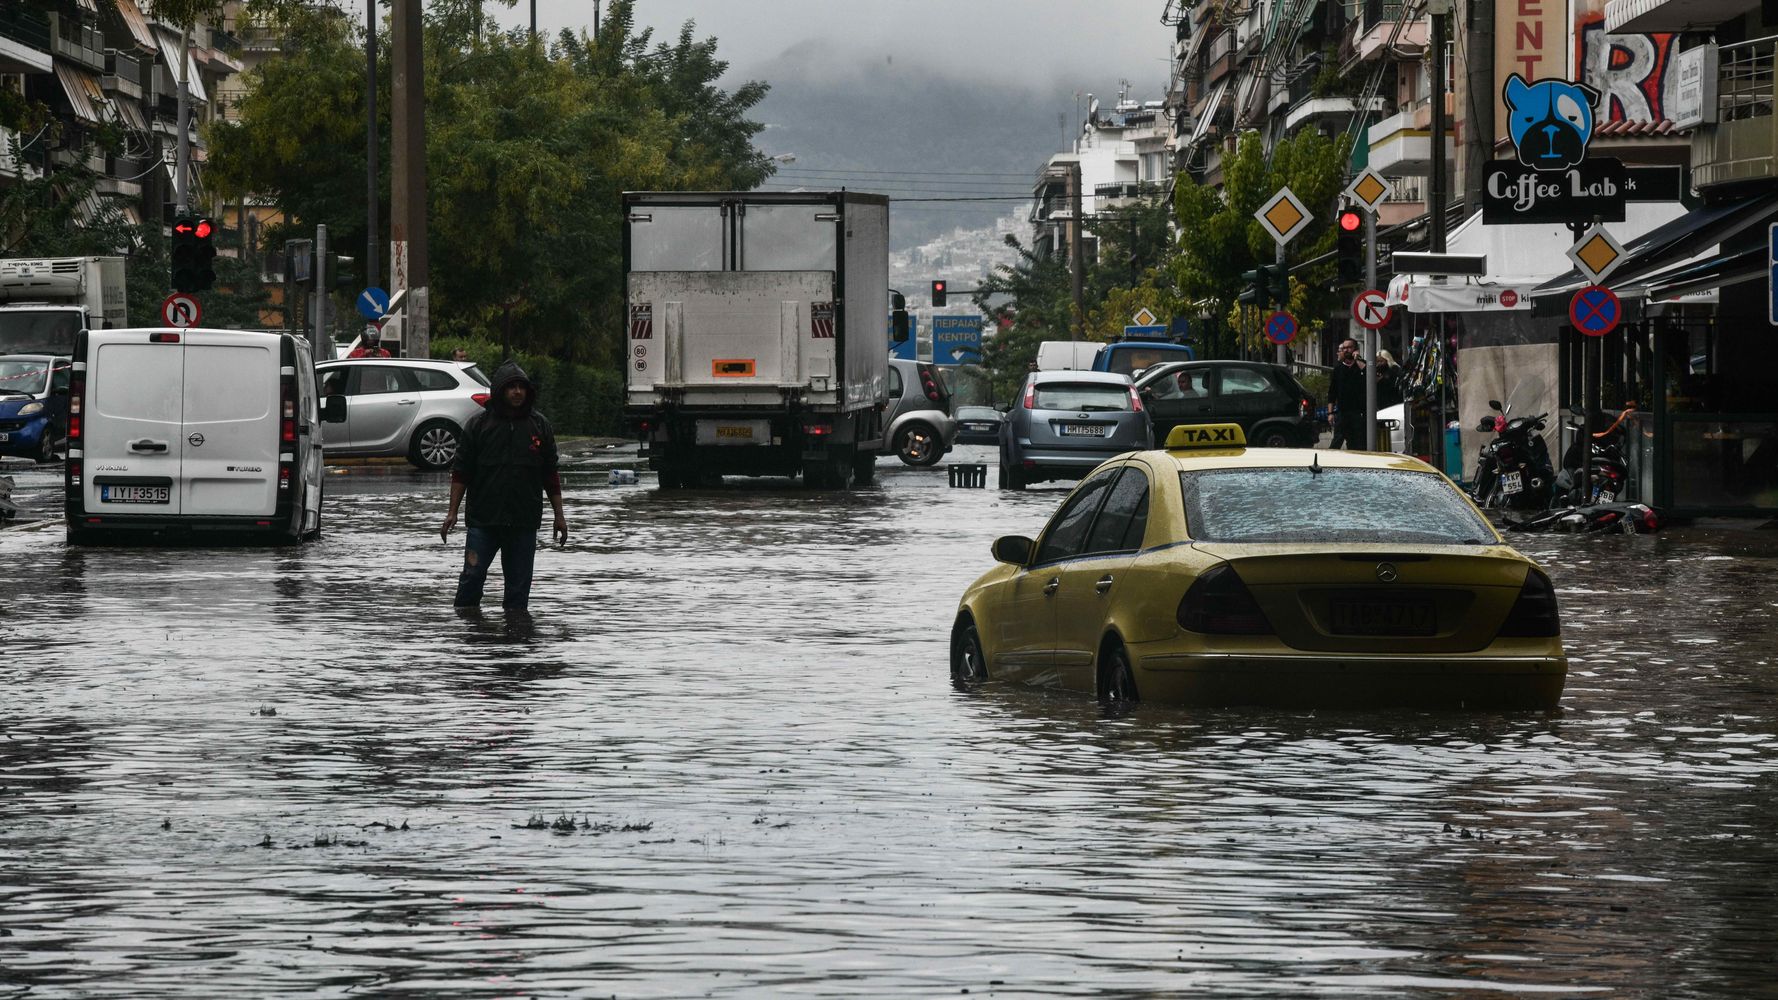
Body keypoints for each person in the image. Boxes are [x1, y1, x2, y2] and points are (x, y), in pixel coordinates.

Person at [441, 361, 568, 611]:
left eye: (522, 387)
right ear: (500, 391)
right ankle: (469, 636)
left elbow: (550, 474)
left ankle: (517, 640)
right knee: (471, 579)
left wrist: (560, 516)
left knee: (518, 593)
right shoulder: (478, 426)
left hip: (524, 521)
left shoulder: (539, 426)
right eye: (511, 387)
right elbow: (461, 472)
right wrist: (452, 512)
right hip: (483, 521)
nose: (517, 392)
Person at [1327, 339, 1368, 450]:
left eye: (1349, 347)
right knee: (1337, 441)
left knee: (1357, 443)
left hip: (1359, 413)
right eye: (1344, 348)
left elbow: (1369, 376)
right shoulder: (1338, 369)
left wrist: (1357, 359)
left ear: (1355, 349)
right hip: (1342, 412)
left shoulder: (1362, 365)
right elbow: (1332, 392)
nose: (1346, 350)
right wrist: (1330, 413)